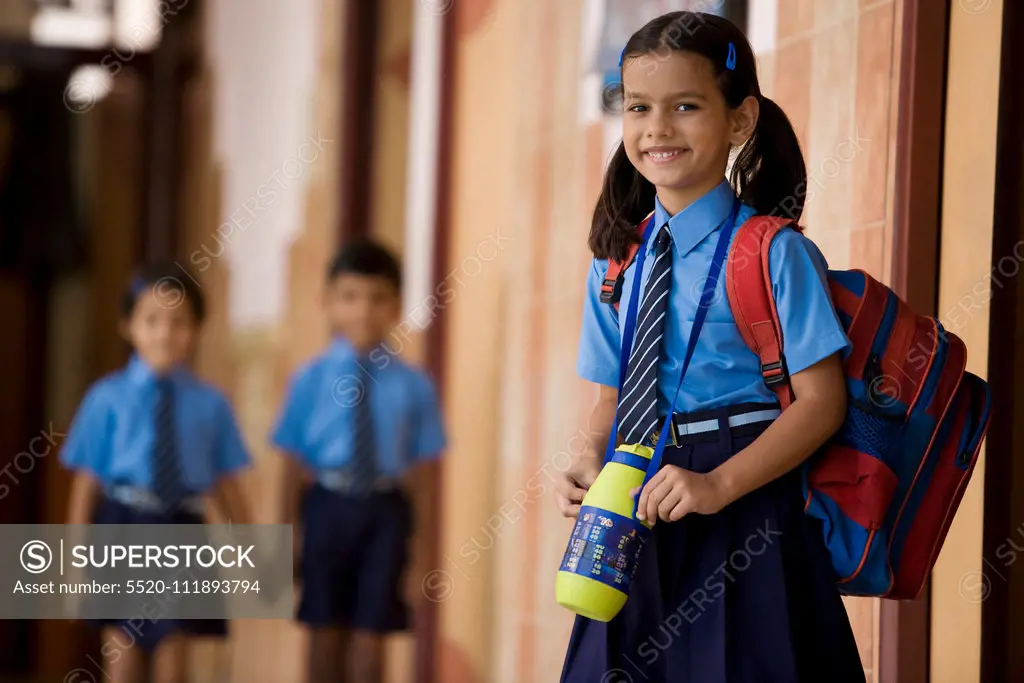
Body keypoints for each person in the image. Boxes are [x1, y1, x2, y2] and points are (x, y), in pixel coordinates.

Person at [555, 11, 866, 683]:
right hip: (634, 501)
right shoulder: (615, 262)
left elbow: (821, 404)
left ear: (740, 119)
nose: (656, 128)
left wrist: (717, 484)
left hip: (745, 506)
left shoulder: (775, 253)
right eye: (638, 107)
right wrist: (587, 457)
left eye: (685, 106)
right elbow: (609, 398)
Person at [61, 263, 253, 683]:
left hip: (184, 527)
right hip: (122, 525)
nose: (164, 333)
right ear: (128, 326)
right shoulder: (105, 398)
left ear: (198, 328)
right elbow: (86, 484)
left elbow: (224, 483)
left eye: (179, 322)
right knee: (122, 653)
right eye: (151, 320)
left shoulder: (211, 405)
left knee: (173, 652)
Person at [272, 239, 447, 683]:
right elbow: (291, 468)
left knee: (373, 636)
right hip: (326, 507)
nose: (363, 311)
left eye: (378, 298)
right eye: (350, 297)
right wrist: (283, 540)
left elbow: (425, 475)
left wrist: (423, 551)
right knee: (323, 632)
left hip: (386, 514)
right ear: (327, 303)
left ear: (396, 306)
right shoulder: (309, 380)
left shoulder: (415, 386)